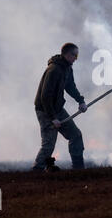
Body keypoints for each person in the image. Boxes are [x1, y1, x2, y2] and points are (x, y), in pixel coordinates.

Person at [33, 43, 87, 171]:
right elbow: (45, 96)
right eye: (75, 55)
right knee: (48, 145)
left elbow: (70, 87)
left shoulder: (67, 68)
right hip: (45, 110)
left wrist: (81, 101)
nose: (76, 58)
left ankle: (78, 169)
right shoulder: (54, 70)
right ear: (68, 54)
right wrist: (53, 118)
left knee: (75, 135)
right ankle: (36, 171)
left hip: (57, 109)